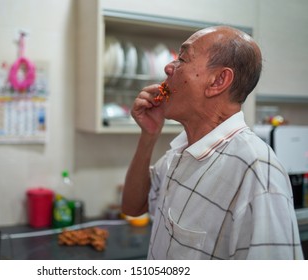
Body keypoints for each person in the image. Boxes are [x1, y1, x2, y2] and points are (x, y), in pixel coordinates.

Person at [122, 26, 304, 260]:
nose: (168, 67)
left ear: (218, 81)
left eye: (182, 59)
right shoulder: (184, 150)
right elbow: (133, 208)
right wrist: (149, 135)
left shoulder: (256, 170)